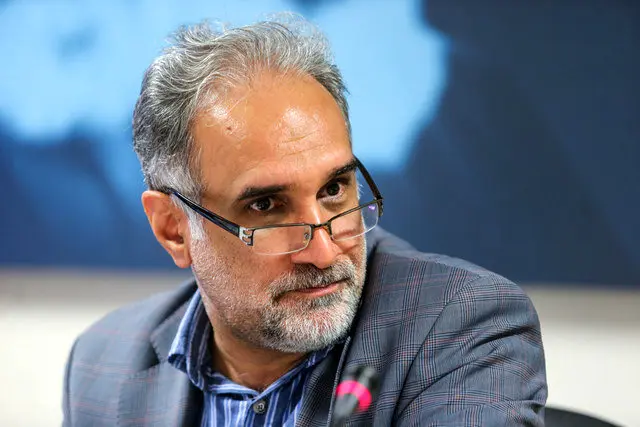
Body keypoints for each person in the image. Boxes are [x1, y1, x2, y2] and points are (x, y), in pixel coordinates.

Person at [62, 15, 547, 426]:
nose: (324, 250)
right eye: (265, 206)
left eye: (334, 189)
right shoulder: (104, 363)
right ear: (173, 228)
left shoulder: (462, 329)